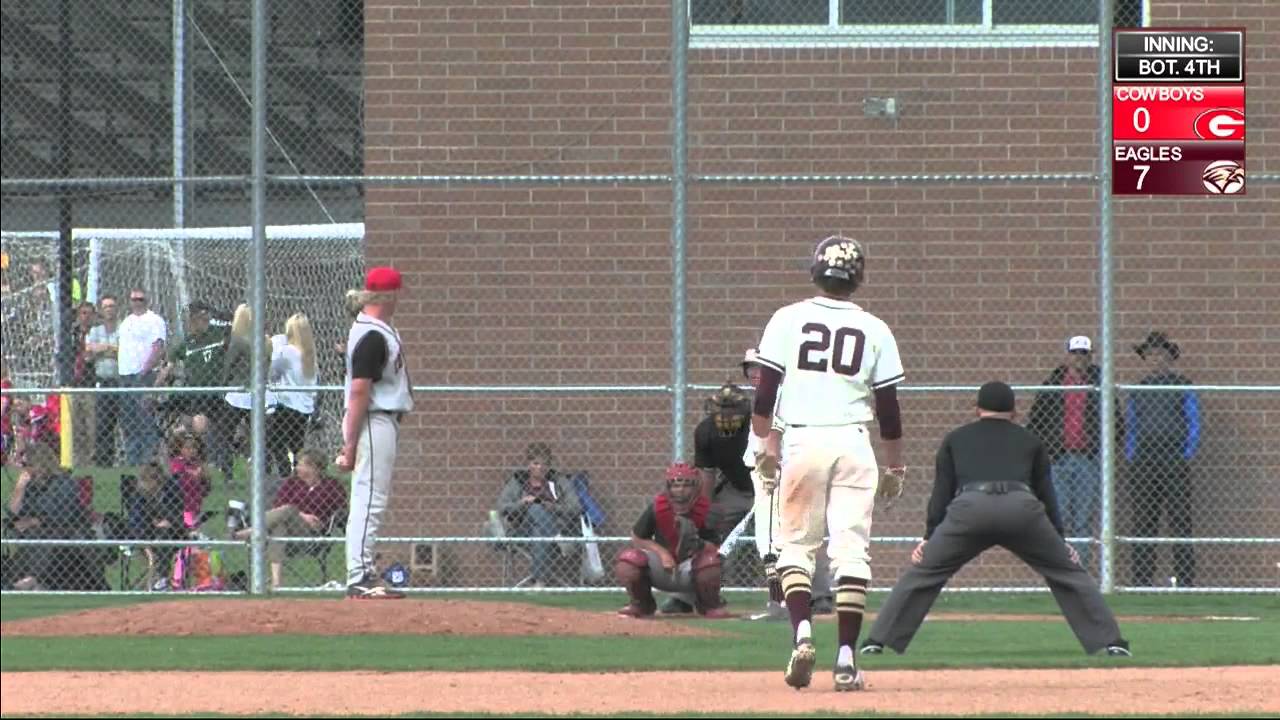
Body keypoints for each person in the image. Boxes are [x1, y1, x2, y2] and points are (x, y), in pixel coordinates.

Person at [860, 381, 1133, 659]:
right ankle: (1111, 642)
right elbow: (1047, 493)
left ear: (976, 409)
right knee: (1068, 573)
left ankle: (877, 641)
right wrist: (1059, 541)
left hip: (970, 509)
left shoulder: (956, 438)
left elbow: (941, 492)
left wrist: (929, 537)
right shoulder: (1030, 440)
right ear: (1014, 412)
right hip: (1021, 509)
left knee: (925, 572)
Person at [750, 235, 906, 692]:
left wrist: (766, 445)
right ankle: (845, 660)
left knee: (796, 547)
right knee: (851, 551)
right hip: (854, 443)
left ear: (815, 271)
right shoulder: (875, 329)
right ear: (858, 278)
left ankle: (801, 633)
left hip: (802, 440)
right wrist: (895, 469)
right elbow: (890, 413)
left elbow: (763, 397)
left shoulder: (787, 319)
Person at [336, 266, 414, 600]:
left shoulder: (377, 329)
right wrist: (350, 444)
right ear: (388, 295)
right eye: (397, 292)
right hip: (372, 419)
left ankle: (362, 573)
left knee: (370, 499)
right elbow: (358, 392)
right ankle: (360, 576)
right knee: (369, 500)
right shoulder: (372, 334)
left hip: (379, 419)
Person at [740, 347, 835, 622]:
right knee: (776, 538)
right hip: (767, 471)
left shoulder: (779, 396)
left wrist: (773, 470)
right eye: (750, 369)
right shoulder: (774, 396)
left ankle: (780, 605)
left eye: (760, 368)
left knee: (773, 539)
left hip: (776, 474)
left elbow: (777, 439)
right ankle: (783, 603)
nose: (755, 374)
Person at [1124, 331, 1199, 588]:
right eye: (1151, 354)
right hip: (1145, 461)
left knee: (1180, 519)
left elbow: (1193, 422)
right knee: (1144, 519)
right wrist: (1132, 456)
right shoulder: (1138, 390)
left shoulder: (1182, 385)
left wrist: (1185, 453)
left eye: (1160, 354)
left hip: (1173, 458)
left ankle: (1185, 581)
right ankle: (1142, 581)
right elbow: (1131, 427)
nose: (1156, 359)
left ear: (1169, 357)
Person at [1025, 335, 1103, 571]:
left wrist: (1097, 448)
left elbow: (1115, 422)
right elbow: (1035, 422)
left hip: (1087, 460)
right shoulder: (1052, 385)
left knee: (1083, 520)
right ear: (1067, 355)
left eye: (1084, 354)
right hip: (1058, 460)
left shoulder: (1100, 385)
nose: (1079, 358)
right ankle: (1058, 569)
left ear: (1090, 357)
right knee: (1057, 517)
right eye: (1075, 353)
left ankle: (1079, 571)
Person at [615, 462, 730, 619]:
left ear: (696, 487)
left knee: (711, 562)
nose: (680, 491)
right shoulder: (658, 507)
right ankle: (642, 604)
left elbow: (716, 548)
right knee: (629, 561)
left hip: (691, 570)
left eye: (686, 485)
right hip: (664, 569)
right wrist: (662, 553)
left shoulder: (707, 510)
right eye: (675, 485)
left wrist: (698, 544)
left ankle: (709, 605)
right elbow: (638, 537)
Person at [230, 448, 347, 590]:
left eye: (301, 465)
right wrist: (301, 515)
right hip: (290, 529)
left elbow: (341, 507)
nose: (297, 468)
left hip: (314, 531)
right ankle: (276, 583)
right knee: (280, 528)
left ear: (314, 467)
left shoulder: (331, 485)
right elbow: (279, 505)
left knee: (289, 510)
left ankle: (246, 532)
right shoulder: (293, 483)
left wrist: (323, 520)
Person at [2, 444, 97, 591]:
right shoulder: (30, 486)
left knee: (44, 537)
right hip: (36, 534)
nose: (24, 468)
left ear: (41, 464)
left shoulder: (64, 482)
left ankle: (32, 579)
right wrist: (20, 487)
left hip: (66, 534)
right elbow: (12, 514)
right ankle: (22, 581)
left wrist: (34, 521)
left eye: (27, 465)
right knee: (34, 537)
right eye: (23, 465)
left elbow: (63, 515)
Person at [158, 302, 232, 481]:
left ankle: (218, 468)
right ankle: (182, 467)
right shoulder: (188, 343)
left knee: (212, 429)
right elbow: (170, 364)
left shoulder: (218, 335)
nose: (191, 323)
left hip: (216, 394)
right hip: (195, 395)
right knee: (179, 427)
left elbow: (233, 325)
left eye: (195, 318)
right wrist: (156, 384)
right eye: (190, 319)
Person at [496, 442, 582, 588]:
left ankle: (539, 581)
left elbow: (576, 508)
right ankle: (555, 540)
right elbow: (501, 507)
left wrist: (552, 507)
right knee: (535, 510)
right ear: (528, 464)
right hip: (522, 532)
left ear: (549, 466)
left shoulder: (559, 481)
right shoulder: (518, 481)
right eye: (535, 463)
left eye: (544, 464)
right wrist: (522, 503)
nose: (540, 468)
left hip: (554, 527)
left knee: (539, 531)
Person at [116, 287, 167, 465]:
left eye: (141, 299)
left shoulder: (154, 320)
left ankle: (148, 461)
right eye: (134, 299)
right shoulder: (126, 322)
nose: (137, 302)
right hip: (125, 376)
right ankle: (133, 461)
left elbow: (158, 347)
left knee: (145, 419)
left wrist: (145, 370)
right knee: (128, 421)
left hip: (143, 376)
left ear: (147, 301)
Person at [268, 313, 319, 478]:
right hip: (304, 409)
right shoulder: (310, 355)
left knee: (273, 440)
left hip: (288, 406)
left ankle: (285, 473)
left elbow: (272, 374)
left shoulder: (287, 352)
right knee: (296, 444)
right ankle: (299, 475)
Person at [127, 460, 187, 589]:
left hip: (172, 533)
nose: (144, 486)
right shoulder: (138, 496)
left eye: (148, 482)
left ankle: (163, 579)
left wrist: (169, 522)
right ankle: (160, 579)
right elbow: (136, 524)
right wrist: (147, 546)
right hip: (146, 535)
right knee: (161, 536)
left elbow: (179, 516)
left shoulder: (172, 491)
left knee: (165, 533)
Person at [84, 295, 122, 467]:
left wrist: (102, 349)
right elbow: (89, 352)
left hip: (121, 381)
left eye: (112, 306)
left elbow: (125, 351)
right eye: (106, 306)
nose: (109, 309)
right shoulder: (95, 331)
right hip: (102, 380)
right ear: (101, 309)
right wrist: (110, 348)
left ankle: (125, 460)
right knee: (102, 422)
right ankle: (104, 462)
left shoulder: (123, 328)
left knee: (123, 421)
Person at [168, 432, 211, 530]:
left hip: (196, 504)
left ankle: (192, 541)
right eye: (187, 448)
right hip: (183, 505)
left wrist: (202, 476)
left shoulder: (198, 464)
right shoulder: (177, 462)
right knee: (189, 528)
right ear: (180, 449)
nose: (191, 451)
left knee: (194, 526)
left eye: (194, 448)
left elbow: (205, 487)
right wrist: (192, 474)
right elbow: (178, 474)